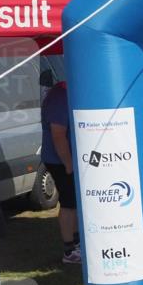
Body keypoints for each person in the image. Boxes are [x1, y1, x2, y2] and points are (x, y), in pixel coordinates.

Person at [40, 79, 80, 264]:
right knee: (69, 203)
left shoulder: (66, 92)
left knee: (74, 203)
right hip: (60, 161)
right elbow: (58, 135)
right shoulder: (60, 96)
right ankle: (69, 251)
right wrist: (69, 164)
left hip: (67, 160)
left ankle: (77, 244)